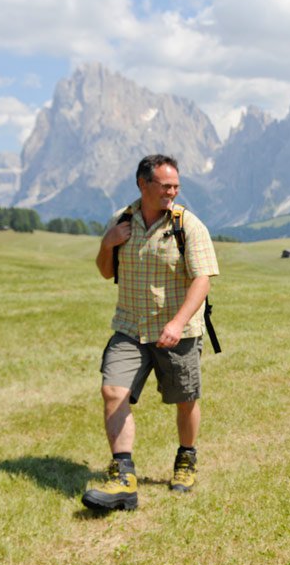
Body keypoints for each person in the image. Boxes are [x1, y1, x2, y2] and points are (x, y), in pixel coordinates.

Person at [82, 154, 220, 511]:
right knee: (113, 391)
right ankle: (123, 476)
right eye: (165, 186)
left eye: (176, 185)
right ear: (143, 185)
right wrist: (107, 243)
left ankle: (186, 459)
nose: (172, 192)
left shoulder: (188, 225)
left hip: (178, 330)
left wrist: (176, 323)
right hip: (129, 327)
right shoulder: (122, 221)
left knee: (185, 398)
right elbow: (104, 271)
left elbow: (202, 280)